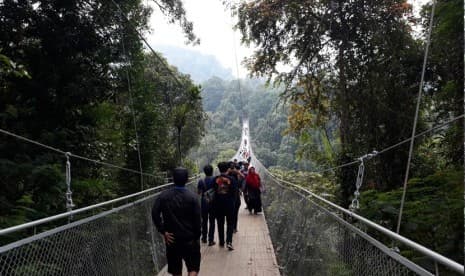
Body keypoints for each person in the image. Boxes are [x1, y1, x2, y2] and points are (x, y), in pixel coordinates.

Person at [152, 167, 201, 276]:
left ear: (173, 179)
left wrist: (163, 231)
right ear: (187, 179)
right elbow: (197, 218)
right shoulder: (193, 197)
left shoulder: (163, 196)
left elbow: (155, 213)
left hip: (172, 239)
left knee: (176, 270)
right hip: (190, 238)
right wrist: (197, 236)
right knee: (193, 267)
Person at [213, 161, 238, 251]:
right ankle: (229, 242)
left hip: (218, 205)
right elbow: (235, 193)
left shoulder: (215, 179)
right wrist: (233, 203)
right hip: (229, 205)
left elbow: (213, 193)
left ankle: (221, 241)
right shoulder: (232, 179)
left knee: (220, 223)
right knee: (230, 223)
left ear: (219, 169)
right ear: (227, 169)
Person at [197, 164, 216, 246]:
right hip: (213, 202)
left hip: (204, 202)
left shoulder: (201, 181)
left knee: (204, 221)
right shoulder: (215, 179)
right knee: (212, 221)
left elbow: (198, 192)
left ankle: (204, 238)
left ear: (204, 172)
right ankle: (211, 240)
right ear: (212, 171)